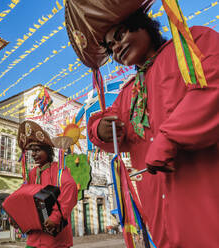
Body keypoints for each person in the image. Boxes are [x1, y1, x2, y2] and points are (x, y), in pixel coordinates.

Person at [65, 1, 219, 247]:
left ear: (144, 25)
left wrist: (170, 138)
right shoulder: (128, 93)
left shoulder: (192, 44)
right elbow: (104, 125)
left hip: (207, 207)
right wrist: (100, 129)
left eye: (119, 35)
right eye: (110, 46)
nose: (116, 48)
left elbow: (213, 87)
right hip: (162, 220)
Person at [17, 120, 78, 248]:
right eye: (31, 151)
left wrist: (55, 217)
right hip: (33, 238)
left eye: (37, 150)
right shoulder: (32, 174)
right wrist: (17, 216)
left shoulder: (59, 170)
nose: (33, 154)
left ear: (48, 151)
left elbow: (70, 188)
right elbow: (24, 197)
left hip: (55, 240)